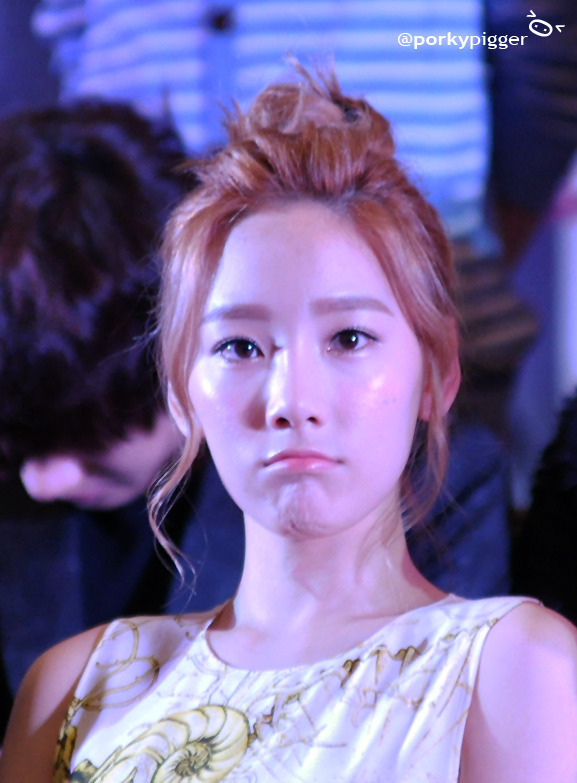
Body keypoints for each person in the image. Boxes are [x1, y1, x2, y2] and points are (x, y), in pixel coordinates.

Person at [2, 70, 576, 782]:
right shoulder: (75, 687)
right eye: (240, 347)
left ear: (436, 375)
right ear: (181, 389)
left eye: (348, 339)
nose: (291, 399)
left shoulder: (513, 667)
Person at [0, 99, 244, 732]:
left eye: (80, 437)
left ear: (178, 347)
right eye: (19, 442)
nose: (39, 481)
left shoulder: (402, 496)